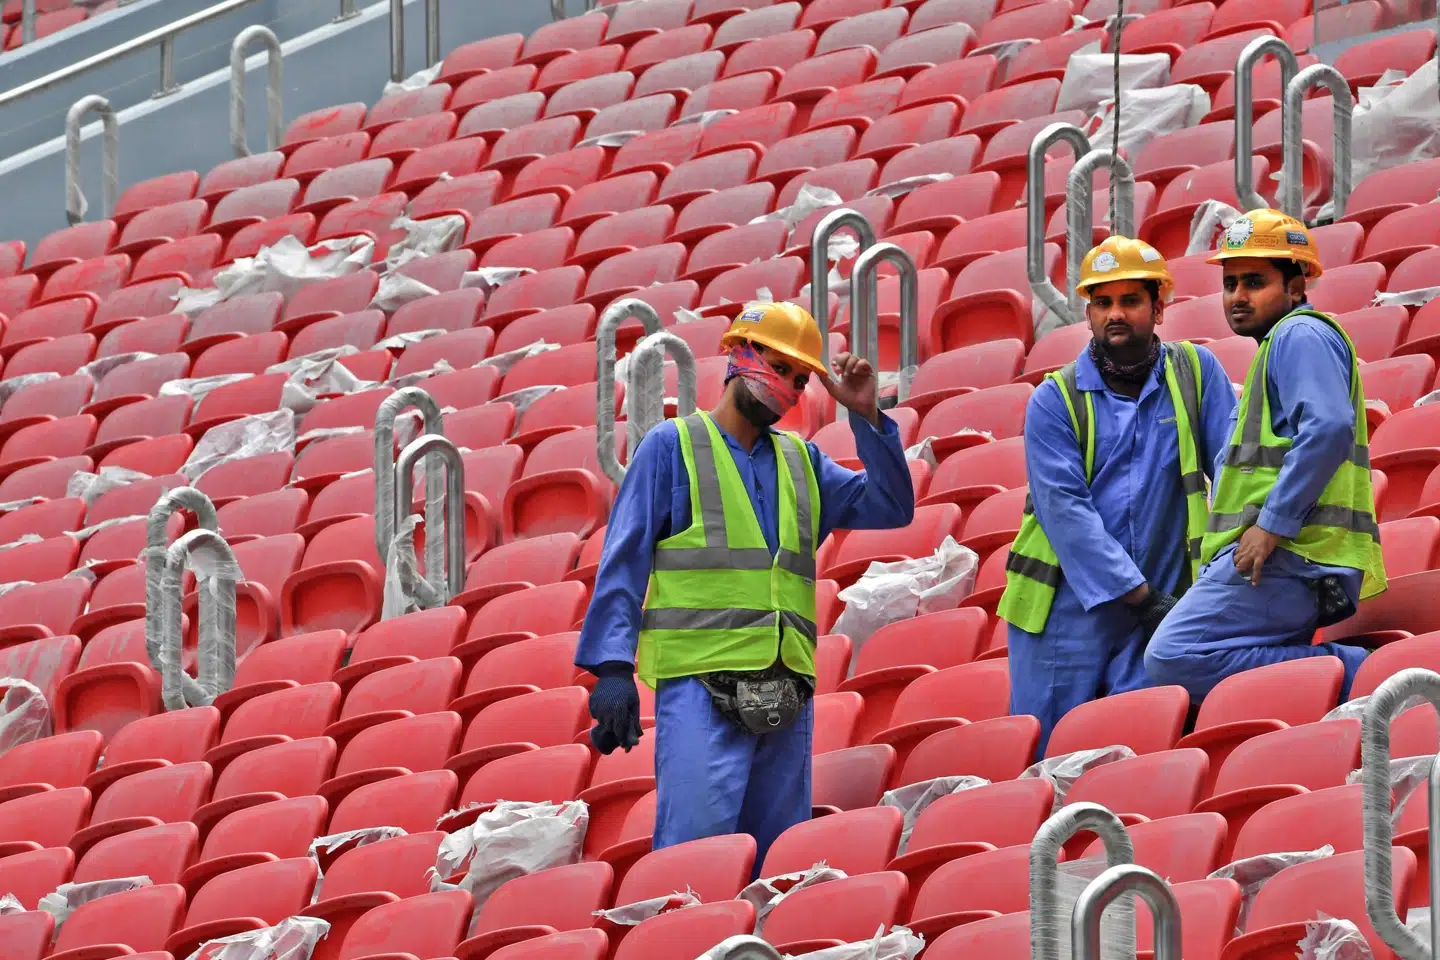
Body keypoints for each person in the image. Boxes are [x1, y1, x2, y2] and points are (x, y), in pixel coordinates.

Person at [575, 301, 914, 870]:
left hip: (787, 691)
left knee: (778, 868)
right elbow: (623, 560)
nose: (788, 387)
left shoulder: (802, 461)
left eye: (800, 379)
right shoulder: (671, 446)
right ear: (738, 354)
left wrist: (867, 418)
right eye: (779, 368)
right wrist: (612, 668)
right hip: (702, 690)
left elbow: (891, 505)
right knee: (695, 863)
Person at [996, 236, 1237, 755]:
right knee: (1052, 756)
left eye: (1130, 300)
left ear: (1159, 306)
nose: (1115, 314)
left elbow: (1236, 470)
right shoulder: (1054, 400)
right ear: (1087, 314)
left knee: (1142, 745)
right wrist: (1143, 597)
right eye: (1103, 303)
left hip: (1162, 599)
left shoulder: (1197, 374)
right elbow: (1067, 517)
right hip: (1062, 613)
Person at [1145, 209, 1386, 700]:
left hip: (1291, 555)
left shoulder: (1301, 334)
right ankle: (1324, 691)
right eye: (1230, 283)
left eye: (1254, 282)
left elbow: (1329, 427)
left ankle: (1349, 670)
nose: (1237, 296)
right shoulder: (1277, 347)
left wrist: (1272, 524)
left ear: (1296, 287)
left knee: (1173, 654)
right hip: (1281, 558)